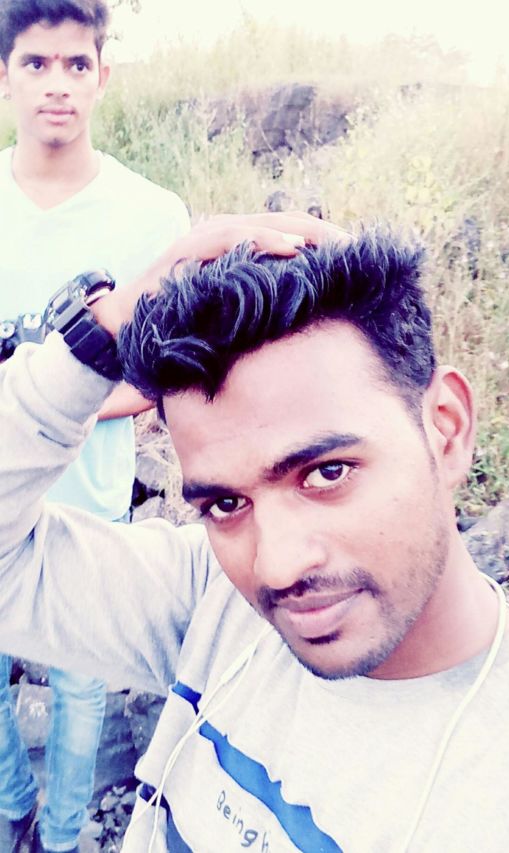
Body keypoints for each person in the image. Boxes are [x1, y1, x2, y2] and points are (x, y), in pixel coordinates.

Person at [0, 212, 509, 853]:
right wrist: (97, 336)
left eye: (327, 473)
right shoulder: (210, 603)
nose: (277, 567)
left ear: (446, 429)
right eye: (226, 504)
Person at [0, 1, 190, 850]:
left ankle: (64, 831)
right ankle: (13, 804)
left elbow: (161, 370)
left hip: (90, 497)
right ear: (4, 76)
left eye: (77, 64)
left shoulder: (151, 214)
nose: (58, 85)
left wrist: (61, 398)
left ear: (103, 75)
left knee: (82, 684)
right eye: (37, 63)